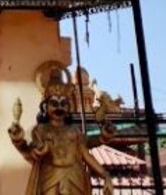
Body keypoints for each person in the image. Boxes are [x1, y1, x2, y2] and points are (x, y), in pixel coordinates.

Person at [8, 65, 113, 195]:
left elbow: (85, 154)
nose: (59, 108)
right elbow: (30, 151)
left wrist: (104, 174)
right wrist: (19, 138)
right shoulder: (40, 130)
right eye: (54, 104)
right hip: (50, 177)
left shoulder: (74, 130)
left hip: (75, 176)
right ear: (45, 107)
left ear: (68, 107)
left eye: (63, 104)